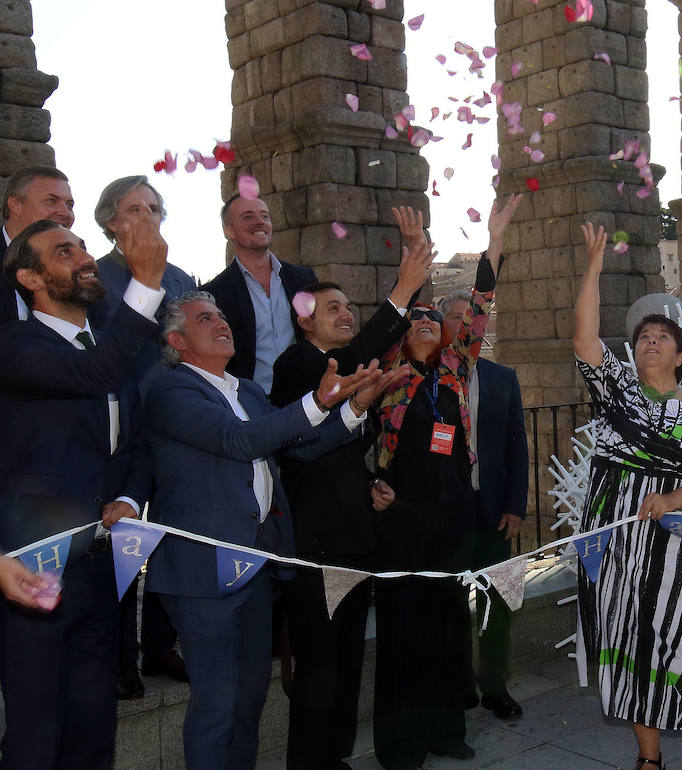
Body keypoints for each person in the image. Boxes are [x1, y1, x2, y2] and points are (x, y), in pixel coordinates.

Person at [142, 291, 399, 770]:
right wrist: (318, 400)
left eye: (222, 314)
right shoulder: (169, 389)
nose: (221, 322)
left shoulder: (248, 391)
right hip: (203, 572)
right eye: (205, 318)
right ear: (177, 340)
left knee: (250, 699)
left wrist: (353, 407)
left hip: (256, 564)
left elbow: (298, 448)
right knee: (217, 705)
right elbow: (236, 440)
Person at [270, 206, 435, 770]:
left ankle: (334, 758)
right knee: (318, 673)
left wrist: (371, 484)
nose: (344, 314)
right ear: (304, 322)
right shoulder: (298, 366)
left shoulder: (340, 369)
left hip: (353, 536)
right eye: (332, 308)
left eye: (349, 307)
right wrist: (401, 294)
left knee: (344, 668)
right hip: (318, 549)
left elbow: (333, 453)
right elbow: (338, 378)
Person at [0, 213, 166, 768]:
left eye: (83, 247)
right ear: (30, 278)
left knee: (94, 728)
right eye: (64, 251)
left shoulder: (111, 350)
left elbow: (136, 444)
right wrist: (145, 284)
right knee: (36, 732)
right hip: (35, 567)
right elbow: (92, 374)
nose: (86, 256)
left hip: (100, 569)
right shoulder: (17, 345)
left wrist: (129, 497)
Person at [572, 222, 682, 770]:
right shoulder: (618, 391)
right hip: (619, 550)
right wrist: (593, 269)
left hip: (679, 554)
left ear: (681, 355)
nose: (650, 341)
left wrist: (673, 500)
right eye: (643, 336)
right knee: (631, 643)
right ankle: (649, 758)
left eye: (662, 337)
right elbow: (585, 342)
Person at [368, 194, 520, 769]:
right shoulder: (388, 378)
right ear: (402, 337)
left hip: (453, 514)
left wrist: (495, 243)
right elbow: (357, 433)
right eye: (419, 319)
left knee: (448, 626)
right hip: (403, 518)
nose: (428, 321)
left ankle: (445, 730)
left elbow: (480, 301)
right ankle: (402, 746)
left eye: (435, 317)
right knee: (407, 631)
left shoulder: (455, 372)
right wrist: (412, 251)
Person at [89, 173, 197, 699]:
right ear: (111, 221)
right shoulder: (92, 278)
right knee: (122, 538)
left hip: (176, 421)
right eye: (134, 209)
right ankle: (119, 657)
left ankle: (160, 643)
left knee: (173, 532)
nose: (146, 217)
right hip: (121, 427)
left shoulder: (181, 277)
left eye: (153, 208)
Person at [440, 289, 529, 721]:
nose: (463, 325)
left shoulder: (502, 378)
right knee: (452, 607)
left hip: (494, 510)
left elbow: (518, 448)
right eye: (455, 318)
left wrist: (516, 506)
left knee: (499, 603)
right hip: (449, 512)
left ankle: (496, 687)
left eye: (470, 318)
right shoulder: (430, 380)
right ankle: (457, 688)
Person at [204, 190, 318, 394]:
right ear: (228, 231)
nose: (259, 222)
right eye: (248, 217)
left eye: (265, 216)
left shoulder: (303, 279)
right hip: (250, 406)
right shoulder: (213, 294)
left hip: (308, 400)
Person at [2, 165, 76, 323]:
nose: (65, 213)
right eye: (51, 201)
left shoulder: (78, 267)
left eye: (69, 205)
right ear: (15, 204)